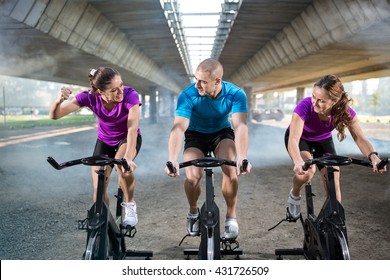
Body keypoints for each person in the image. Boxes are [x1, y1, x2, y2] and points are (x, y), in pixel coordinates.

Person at [165, 58, 252, 240]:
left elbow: (240, 126)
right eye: (196, 79)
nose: (197, 85)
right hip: (195, 135)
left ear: (217, 81)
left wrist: (242, 157)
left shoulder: (235, 94)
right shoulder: (188, 95)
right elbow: (179, 127)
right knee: (192, 176)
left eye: (203, 81)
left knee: (230, 169)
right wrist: (172, 158)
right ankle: (193, 212)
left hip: (221, 133)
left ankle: (231, 216)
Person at [285, 74, 387, 220]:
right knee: (308, 171)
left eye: (321, 101)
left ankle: (334, 222)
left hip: (322, 140)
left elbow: (360, 138)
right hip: (301, 139)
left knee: (333, 180)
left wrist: (373, 157)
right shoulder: (305, 106)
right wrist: (297, 160)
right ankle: (294, 194)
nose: (315, 103)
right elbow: (293, 139)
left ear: (335, 101)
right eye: (314, 96)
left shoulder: (345, 112)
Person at [49, 67, 142, 227]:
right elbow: (55, 115)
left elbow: (132, 129)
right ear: (100, 91)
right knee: (99, 188)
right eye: (114, 90)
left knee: (122, 166)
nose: (120, 91)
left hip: (126, 138)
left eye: (121, 85)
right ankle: (104, 225)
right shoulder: (88, 97)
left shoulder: (130, 95)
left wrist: (127, 157)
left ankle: (130, 204)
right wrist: (59, 100)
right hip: (105, 141)